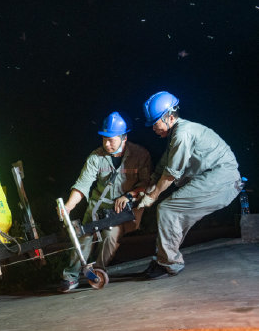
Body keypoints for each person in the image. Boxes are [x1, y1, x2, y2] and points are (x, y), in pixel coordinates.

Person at [137, 91, 241, 279]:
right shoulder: (175, 135)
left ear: (169, 117)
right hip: (215, 178)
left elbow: (170, 174)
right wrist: (149, 188)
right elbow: (162, 167)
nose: (153, 128)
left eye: (155, 123)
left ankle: (168, 263)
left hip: (222, 178)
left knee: (168, 209)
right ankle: (165, 259)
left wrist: (152, 196)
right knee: (175, 215)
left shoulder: (182, 134)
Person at [58, 111, 151, 292]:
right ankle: (70, 276)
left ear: (124, 137)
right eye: (104, 139)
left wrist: (129, 195)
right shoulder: (95, 157)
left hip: (120, 208)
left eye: (111, 140)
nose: (107, 144)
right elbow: (82, 185)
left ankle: (98, 271)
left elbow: (146, 184)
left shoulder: (140, 155)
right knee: (83, 236)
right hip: (97, 205)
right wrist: (68, 206)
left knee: (111, 236)